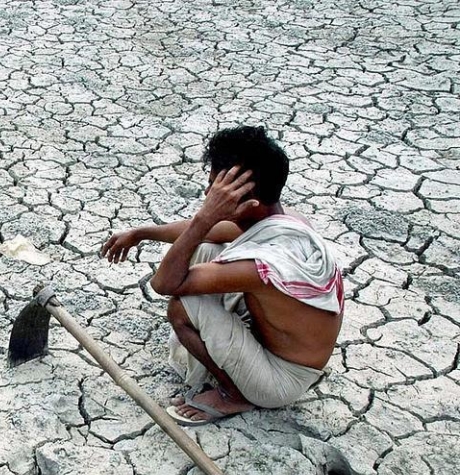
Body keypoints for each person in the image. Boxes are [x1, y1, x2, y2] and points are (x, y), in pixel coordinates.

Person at [100, 126, 343, 425]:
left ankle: (234, 395)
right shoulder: (279, 218)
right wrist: (140, 233)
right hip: (278, 344)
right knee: (206, 249)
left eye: (216, 188)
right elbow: (207, 233)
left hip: (280, 380)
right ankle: (233, 368)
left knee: (182, 307)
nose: (208, 194)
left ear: (247, 199)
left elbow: (163, 283)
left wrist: (206, 215)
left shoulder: (262, 266)